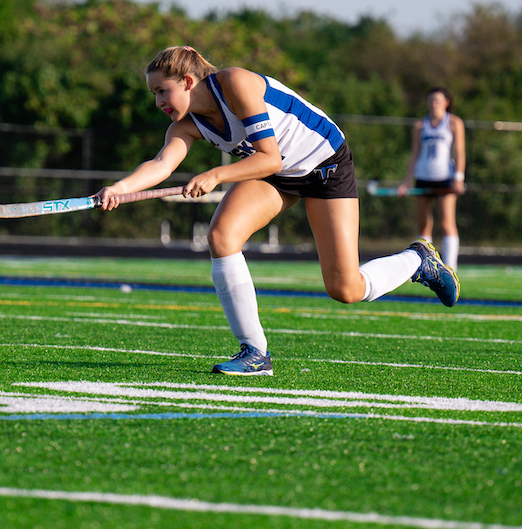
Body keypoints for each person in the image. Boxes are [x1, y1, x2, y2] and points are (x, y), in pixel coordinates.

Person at [95, 46, 459, 376]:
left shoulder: (235, 82)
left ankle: (418, 260)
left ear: (188, 81)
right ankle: (254, 353)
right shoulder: (186, 124)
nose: (158, 101)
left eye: (162, 91)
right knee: (222, 236)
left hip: (325, 165)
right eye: (153, 94)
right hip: (279, 175)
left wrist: (216, 175)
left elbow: (269, 157)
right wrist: (120, 189)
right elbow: (161, 164)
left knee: (345, 289)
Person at [397, 87, 466, 270]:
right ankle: (426, 266)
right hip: (423, 178)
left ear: (446, 102)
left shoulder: (453, 123)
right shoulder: (420, 125)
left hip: (445, 179)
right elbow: (414, 154)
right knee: (423, 224)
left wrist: (458, 178)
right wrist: (406, 181)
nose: (434, 104)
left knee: (446, 222)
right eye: (431, 101)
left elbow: (459, 151)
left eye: (438, 100)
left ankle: (450, 268)